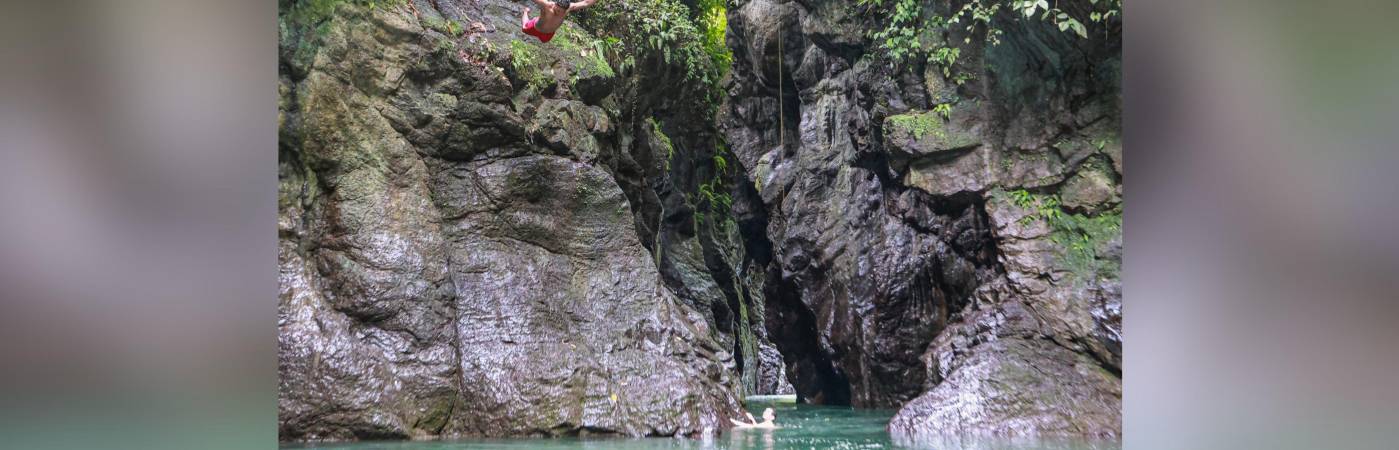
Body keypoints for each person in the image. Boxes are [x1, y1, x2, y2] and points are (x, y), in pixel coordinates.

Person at [521, 0, 598, 44]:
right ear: (555, 4)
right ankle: (525, 12)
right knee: (524, 27)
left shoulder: (569, 8)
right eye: (556, 9)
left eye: (560, 11)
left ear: (565, 10)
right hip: (535, 28)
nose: (557, 12)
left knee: (544, 42)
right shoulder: (547, 5)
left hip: (548, 34)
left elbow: (586, 3)